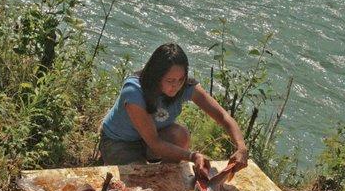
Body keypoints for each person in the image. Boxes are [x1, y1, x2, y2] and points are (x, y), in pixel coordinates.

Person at [99, 43, 248, 178]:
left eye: (180, 80)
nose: (176, 86)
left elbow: (222, 116)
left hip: (148, 141)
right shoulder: (134, 91)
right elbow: (155, 143)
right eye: (170, 80)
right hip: (118, 141)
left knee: (180, 134)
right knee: (140, 181)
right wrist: (193, 156)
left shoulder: (187, 87)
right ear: (156, 76)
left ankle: (166, 176)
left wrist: (241, 147)